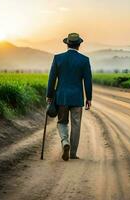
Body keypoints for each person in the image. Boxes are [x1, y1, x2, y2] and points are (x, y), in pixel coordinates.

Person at [46, 33, 92, 161]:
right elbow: (88, 81)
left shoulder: (58, 58)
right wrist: (89, 98)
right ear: (79, 45)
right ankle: (72, 153)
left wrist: (49, 95)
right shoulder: (84, 60)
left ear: (67, 44)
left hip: (62, 98)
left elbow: (51, 79)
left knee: (62, 122)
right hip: (77, 98)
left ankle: (65, 142)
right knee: (76, 125)